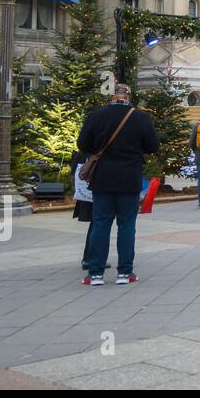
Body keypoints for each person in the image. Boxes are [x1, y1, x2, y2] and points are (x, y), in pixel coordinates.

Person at [78, 84, 160, 285]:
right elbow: (153, 146)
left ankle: (95, 273)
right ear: (129, 97)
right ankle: (125, 272)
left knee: (100, 223)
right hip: (129, 178)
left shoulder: (96, 116)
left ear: (111, 96)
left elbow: (82, 144)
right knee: (126, 225)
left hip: (102, 178)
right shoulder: (140, 117)